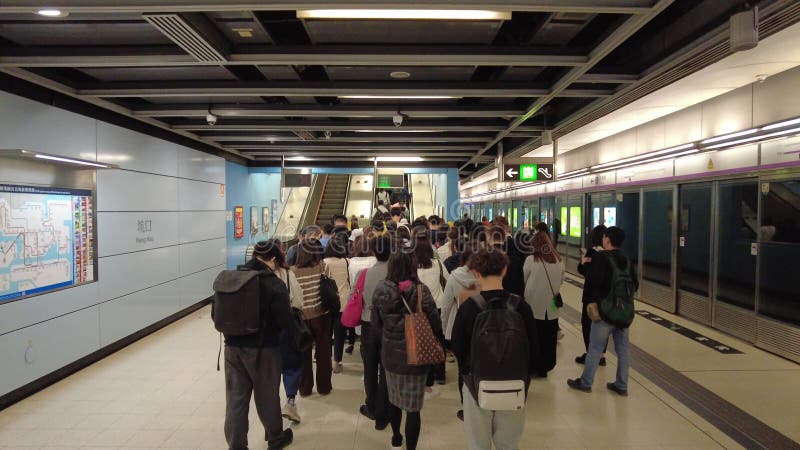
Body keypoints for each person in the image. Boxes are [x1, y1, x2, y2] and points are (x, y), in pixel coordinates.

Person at [451, 248, 539, 450]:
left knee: (478, 444)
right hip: (515, 384)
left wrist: (468, 370)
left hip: (476, 385)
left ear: (476, 273)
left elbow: (458, 346)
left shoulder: (469, 307)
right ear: (505, 270)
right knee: (508, 443)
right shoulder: (521, 306)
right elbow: (534, 348)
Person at [220, 241, 294, 450]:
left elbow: (215, 314)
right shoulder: (273, 283)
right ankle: (275, 438)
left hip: (232, 348)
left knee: (236, 400)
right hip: (264, 350)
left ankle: (237, 445)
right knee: (267, 396)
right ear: (272, 259)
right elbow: (285, 321)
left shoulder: (233, 278)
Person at [372, 247, 445, 450]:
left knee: (394, 401)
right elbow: (436, 324)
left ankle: (396, 439)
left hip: (391, 357)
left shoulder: (381, 289)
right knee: (413, 409)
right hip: (417, 357)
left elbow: (375, 326)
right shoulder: (421, 291)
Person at [568, 226, 638, 395]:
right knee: (623, 350)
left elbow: (593, 280)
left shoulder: (602, 257)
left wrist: (584, 265)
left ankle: (585, 383)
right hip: (623, 313)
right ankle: (622, 385)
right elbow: (634, 285)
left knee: (595, 347)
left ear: (607, 240)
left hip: (605, 312)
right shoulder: (627, 260)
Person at [253, 240, 305, 424]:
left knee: (268, 373)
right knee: (290, 365)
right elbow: (298, 301)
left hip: (259, 333)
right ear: (276, 256)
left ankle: (270, 410)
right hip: (284, 328)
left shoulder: (250, 276)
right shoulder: (287, 274)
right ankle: (290, 402)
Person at [438, 244, 479, 421]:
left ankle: (466, 406)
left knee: (464, 367)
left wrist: (444, 328)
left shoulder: (454, 277)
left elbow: (446, 305)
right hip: (481, 325)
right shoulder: (483, 276)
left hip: (459, 325)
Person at [291, 239, 333, 397]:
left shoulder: (292, 271)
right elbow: (329, 287)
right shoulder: (323, 266)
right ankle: (324, 387)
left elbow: (292, 296)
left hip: (301, 318)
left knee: (303, 354)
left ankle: (305, 389)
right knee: (323, 353)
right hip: (321, 315)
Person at [358, 235, 392, 429]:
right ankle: (385, 410)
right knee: (386, 368)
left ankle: (371, 406)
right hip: (390, 326)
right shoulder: (396, 274)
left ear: (373, 251)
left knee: (369, 368)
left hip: (368, 325)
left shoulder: (364, 274)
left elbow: (359, 299)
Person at [522, 232, 565, 378]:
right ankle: (546, 366)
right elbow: (561, 281)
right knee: (550, 336)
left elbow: (524, 278)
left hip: (534, 304)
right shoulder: (559, 261)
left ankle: (534, 364)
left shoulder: (531, 260)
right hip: (552, 305)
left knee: (535, 335)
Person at [413, 226, 449, 387]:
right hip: (438, 306)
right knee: (438, 339)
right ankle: (440, 373)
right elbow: (448, 280)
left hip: (418, 309)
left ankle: (423, 373)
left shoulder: (412, 267)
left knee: (420, 340)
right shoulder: (438, 264)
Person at [576, 225, 609, 366]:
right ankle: (601, 355)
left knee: (587, 324)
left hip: (590, 296)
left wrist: (582, 262)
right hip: (605, 297)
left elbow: (584, 271)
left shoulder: (591, 253)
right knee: (603, 325)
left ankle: (590, 354)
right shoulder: (609, 254)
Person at [322, 235, 353, 374]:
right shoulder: (347, 261)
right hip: (343, 301)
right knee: (340, 333)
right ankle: (337, 362)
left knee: (327, 333)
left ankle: (326, 360)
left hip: (328, 303)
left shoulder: (323, 262)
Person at [486, 225, 525, 297]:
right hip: (512, 302)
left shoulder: (484, 258)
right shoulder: (516, 260)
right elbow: (521, 287)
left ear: (490, 238)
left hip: (490, 301)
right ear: (504, 239)